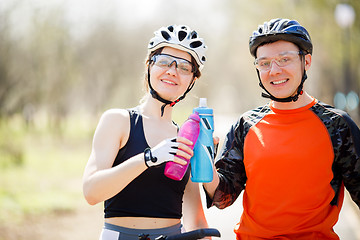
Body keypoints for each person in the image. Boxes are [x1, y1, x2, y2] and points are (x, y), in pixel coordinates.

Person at [203, 18, 360, 240]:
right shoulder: (246, 125)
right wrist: (205, 164)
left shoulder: (337, 125)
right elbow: (223, 197)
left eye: (284, 59)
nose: (274, 70)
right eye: (264, 63)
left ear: (306, 61)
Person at [82, 24, 210, 240]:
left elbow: (196, 218)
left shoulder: (186, 138)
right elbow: (91, 192)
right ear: (149, 66)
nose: (172, 71)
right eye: (163, 61)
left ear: (192, 80)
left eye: (184, 67)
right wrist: (148, 158)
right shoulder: (118, 121)